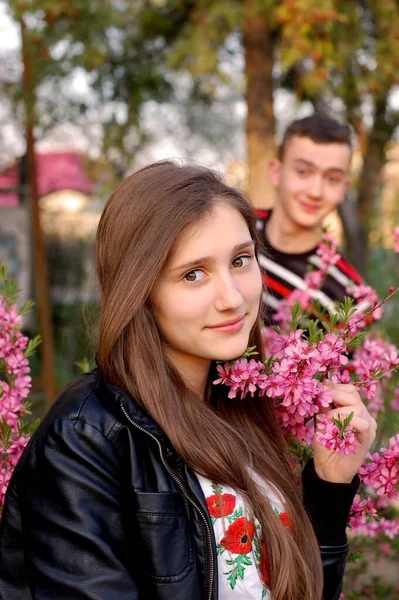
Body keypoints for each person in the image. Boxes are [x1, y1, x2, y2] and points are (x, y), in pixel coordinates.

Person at [0, 162, 376, 600]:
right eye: (193, 274)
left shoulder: (239, 407)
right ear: (139, 290)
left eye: (240, 260)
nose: (233, 299)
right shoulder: (86, 438)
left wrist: (328, 488)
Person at [256, 113, 369, 324]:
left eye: (332, 178)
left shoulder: (352, 299)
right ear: (276, 172)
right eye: (302, 172)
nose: (316, 192)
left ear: (344, 188)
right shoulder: (236, 228)